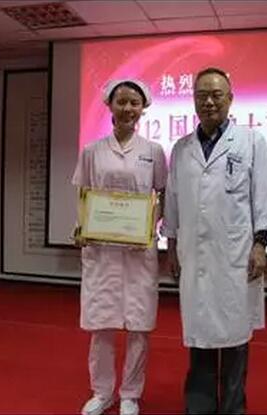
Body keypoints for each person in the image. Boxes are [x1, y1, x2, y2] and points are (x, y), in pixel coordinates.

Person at [162, 67, 267, 414]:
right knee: (200, 337)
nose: (209, 102)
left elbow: (263, 195)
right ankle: (199, 406)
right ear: (194, 100)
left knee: (235, 338)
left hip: (235, 256)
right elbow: (173, 201)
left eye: (216, 95)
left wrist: (260, 243)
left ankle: (232, 408)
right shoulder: (182, 148)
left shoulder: (251, 142)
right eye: (201, 95)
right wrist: (171, 247)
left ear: (230, 99)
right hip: (194, 257)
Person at [72, 79, 167, 415]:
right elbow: (83, 195)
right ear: (109, 106)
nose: (128, 108)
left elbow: (162, 194)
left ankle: (130, 394)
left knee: (139, 326)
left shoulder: (153, 151)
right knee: (102, 325)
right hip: (102, 251)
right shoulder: (92, 151)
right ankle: (102, 392)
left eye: (134, 103)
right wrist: (82, 227)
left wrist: (152, 225)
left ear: (143, 108)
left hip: (139, 251)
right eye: (122, 101)